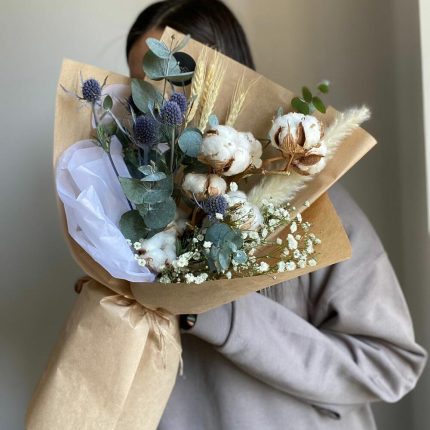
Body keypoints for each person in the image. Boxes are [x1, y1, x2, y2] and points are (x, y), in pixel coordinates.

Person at [126, 1, 427, 429]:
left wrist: (213, 311)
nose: (158, 106)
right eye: (141, 88)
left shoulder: (312, 205)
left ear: (229, 74)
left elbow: (390, 364)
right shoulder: (132, 213)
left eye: (174, 79)